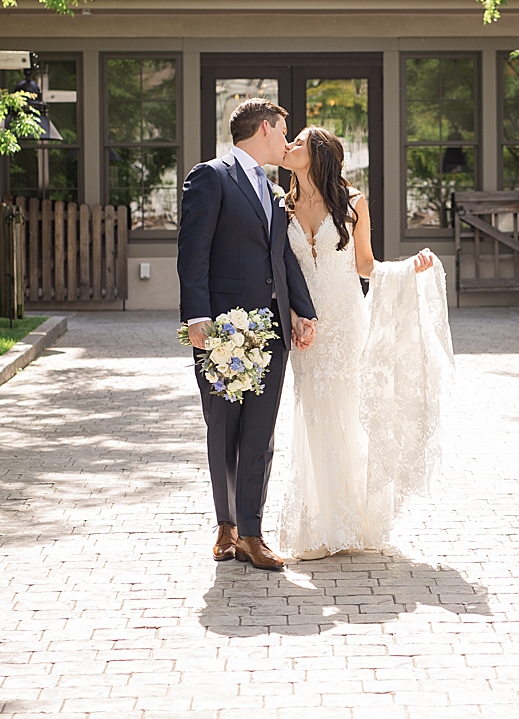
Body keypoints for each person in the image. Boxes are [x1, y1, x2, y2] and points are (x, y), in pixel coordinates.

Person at [277, 125, 454, 560]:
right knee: (314, 412)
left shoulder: (353, 203)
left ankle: (354, 520)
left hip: (347, 322)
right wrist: (295, 315)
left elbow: (365, 265)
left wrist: (408, 268)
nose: (288, 146)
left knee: (350, 413)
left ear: (316, 153)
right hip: (307, 326)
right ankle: (318, 527)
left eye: (297, 142)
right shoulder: (282, 207)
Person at [177, 99, 317, 572]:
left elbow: (282, 259)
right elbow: (192, 255)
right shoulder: (210, 177)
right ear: (263, 129)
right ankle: (226, 527)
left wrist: (301, 311)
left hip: (271, 330)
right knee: (223, 429)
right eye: (283, 133)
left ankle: (253, 533)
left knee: (260, 433)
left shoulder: (276, 190)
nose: (286, 141)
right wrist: (197, 317)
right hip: (222, 329)